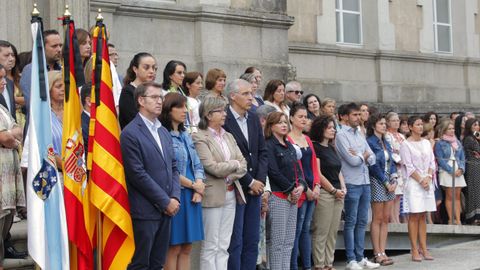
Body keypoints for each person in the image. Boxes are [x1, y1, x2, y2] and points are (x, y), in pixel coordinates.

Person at [121, 82, 181, 269]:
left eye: (161, 98)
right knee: (141, 263)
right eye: (154, 97)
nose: (159, 101)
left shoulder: (163, 131)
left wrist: (174, 197)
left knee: (157, 262)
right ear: (141, 100)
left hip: (167, 209)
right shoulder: (130, 133)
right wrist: (165, 201)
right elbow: (137, 174)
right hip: (145, 210)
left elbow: (173, 166)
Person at [192, 96, 247, 270]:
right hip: (213, 195)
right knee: (211, 245)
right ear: (208, 115)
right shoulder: (199, 137)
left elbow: (244, 164)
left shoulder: (228, 136)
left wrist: (231, 171)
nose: (225, 114)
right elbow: (212, 167)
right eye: (220, 111)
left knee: (224, 245)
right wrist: (234, 165)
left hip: (231, 192)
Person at [223, 79, 268, 270]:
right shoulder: (224, 119)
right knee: (236, 239)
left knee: (252, 239)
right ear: (233, 96)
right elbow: (229, 156)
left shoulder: (253, 118)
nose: (251, 97)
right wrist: (249, 182)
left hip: (256, 187)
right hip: (237, 186)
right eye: (246, 94)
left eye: (251, 93)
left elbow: (262, 152)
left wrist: (259, 181)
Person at [160, 93, 206, 270]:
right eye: (179, 107)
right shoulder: (163, 135)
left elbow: (197, 162)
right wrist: (194, 185)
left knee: (187, 247)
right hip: (176, 193)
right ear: (168, 109)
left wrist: (199, 185)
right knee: (174, 247)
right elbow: (169, 170)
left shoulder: (185, 134)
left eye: (185, 106)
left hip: (193, 194)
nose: (184, 110)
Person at [335, 102, 379, 270]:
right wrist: (363, 156)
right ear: (344, 116)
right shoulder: (341, 135)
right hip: (351, 182)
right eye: (354, 115)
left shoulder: (360, 133)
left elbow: (373, 157)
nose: (358, 117)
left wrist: (361, 154)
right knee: (351, 221)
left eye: (359, 115)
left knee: (362, 221)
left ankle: (360, 257)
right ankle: (350, 259)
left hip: (365, 181)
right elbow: (352, 160)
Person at [264, 112, 307, 270]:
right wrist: (290, 190)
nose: (283, 125)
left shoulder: (289, 145)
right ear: (271, 126)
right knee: (277, 242)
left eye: (285, 122)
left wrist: (301, 186)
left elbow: (298, 169)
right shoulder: (268, 145)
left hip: (293, 196)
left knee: (289, 241)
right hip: (279, 196)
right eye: (279, 122)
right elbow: (273, 171)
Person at [287, 104, 321, 270]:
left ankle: (307, 266)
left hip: (311, 190)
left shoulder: (307, 139)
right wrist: (306, 189)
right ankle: (293, 266)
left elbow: (313, 164)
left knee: (306, 228)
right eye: (300, 116)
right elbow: (294, 167)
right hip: (299, 190)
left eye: (305, 117)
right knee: (297, 229)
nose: (303, 120)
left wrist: (316, 186)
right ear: (291, 118)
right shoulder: (288, 139)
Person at [310, 115, 346, 270]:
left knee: (333, 231)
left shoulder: (331, 147)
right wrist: (333, 190)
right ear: (321, 128)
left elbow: (338, 170)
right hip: (326, 193)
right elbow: (318, 173)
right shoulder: (315, 146)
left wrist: (343, 188)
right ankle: (319, 264)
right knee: (322, 230)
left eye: (334, 128)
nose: (333, 130)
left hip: (338, 193)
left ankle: (328, 263)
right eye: (330, 127)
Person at [400, 116, 436, 262]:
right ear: (410, 127)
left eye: (422, 124)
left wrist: (427, 176)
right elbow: (408, 167)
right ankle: (414, 249)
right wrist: (421, 180)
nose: (421, 127)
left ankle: (424, 248)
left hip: (427, 181)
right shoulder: (405, 145)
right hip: (414, 183)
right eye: (417, 124)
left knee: (423, 216)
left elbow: (432, 162)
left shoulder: (427, 143)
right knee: (414, 215)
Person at [0, 64, 26, 267]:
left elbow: (17, 129)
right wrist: (10, 135)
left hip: (9, 172)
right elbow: (6, 136)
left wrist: (11, 134)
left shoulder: (1, 107)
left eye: (3, 78)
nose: (3, 82)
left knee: (7, 219)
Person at [366, 114, 397, 266]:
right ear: (373, 126)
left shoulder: (386, 141)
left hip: (389, 180)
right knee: (377, 218)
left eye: (385, 123)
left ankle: (383, 251)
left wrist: (394, 178)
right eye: (381, 124)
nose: (384, 126)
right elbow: (373, 166)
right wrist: (385, 181)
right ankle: (377, 252)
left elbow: (392, 162)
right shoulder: (370, 142)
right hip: (377, 180)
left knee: (386, 218)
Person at [434, 119, 466, 225]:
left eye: (453, 128)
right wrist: (451, 170)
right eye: (449, 129)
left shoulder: (458, 142)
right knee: (449, 196)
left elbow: (462, 157)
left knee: (457, 196)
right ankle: (451, 219)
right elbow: (440, 159)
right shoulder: (439, 143)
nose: (452, 131)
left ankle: (458, 219)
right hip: (447, 171)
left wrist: (461, 169)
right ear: (444, 130)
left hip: (458, 170)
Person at [20, 30, 62, 109]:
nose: (59, 49)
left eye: (60, 45)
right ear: (42, 47)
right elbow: (32, 102)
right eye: (54, 46)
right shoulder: (31, 70)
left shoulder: (62, 70)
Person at [119, 52, 157, 129]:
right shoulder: (128, 92)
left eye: (154, 68)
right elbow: (134, 120)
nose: (152, 71)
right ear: (135, 69)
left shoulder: (156, 91)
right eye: (146, 67)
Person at [385, 112, 406, 224]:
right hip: (393, 167)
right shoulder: (387, 136)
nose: (396, 122)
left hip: (402, 168)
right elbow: (390, 151)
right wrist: (399, 159)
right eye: (393, 120)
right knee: (393, 195)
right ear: (388, 122)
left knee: (399, 196)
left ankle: (396, 218)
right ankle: (392, 219)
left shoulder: (402, 136)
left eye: (398, 120)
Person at [463, 118, 480, 225]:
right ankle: (473, 217)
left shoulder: (475, 138)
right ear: (469, 127)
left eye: (478, 125)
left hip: (477, 166)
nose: (477, 127)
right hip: (472, 168)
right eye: (475, 125)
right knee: (474, 191)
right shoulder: (469, 139)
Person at [0, 41, 17, 120]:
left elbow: (12, 115)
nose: (11, 59)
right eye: (6, 55)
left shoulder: (9, 83)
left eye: (12, 55)